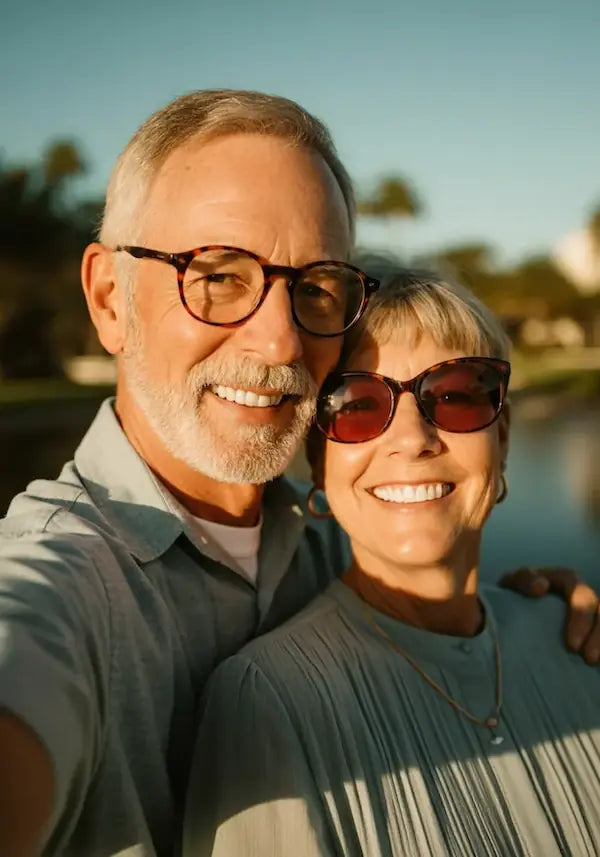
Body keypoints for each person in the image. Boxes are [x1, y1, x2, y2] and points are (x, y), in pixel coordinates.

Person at [0, 91, 595, 857]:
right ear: (111, 299)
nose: (281, 340)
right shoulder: (65, 581)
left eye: (313, 287)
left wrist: (524, 623)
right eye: (216, 275)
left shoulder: (319, 537)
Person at [185, 269, 600, 857]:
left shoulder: (576, 641)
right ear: (318, 459)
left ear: (502, 437)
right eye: (357, 404)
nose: (413, 438)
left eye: (455, 394)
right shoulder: (270, 703)